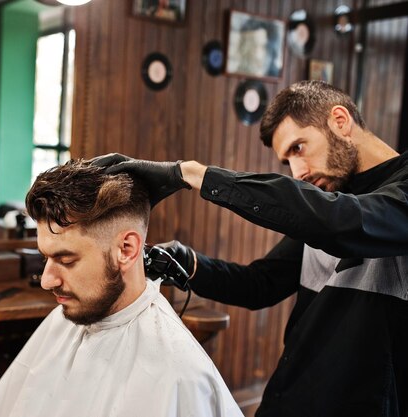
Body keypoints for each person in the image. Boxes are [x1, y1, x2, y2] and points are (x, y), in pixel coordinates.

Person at [92, 80, 408, 417]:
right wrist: (185, 263)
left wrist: (194, 175)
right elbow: (260, 284)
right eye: (288, 162)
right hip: (290, 397)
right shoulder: (332, 201)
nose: (299, 172)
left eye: (298, 148)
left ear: (340, 121)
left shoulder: (375, 200)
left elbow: (344, 223)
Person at [0, 159, 242, 417]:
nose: (46, 280)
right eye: (45, 258)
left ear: (126, 250)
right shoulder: (65, 318)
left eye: (65, 260)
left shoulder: (181, 374)